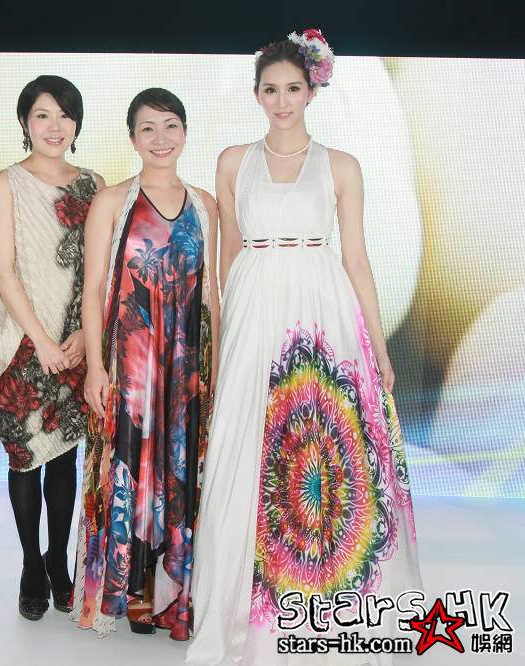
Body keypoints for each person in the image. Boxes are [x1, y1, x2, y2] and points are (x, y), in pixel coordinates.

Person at [186, 30, 421, 664]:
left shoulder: (341, 165)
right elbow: (226, 257)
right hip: (254, 304)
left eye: (293, 88)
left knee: (320, 446)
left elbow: (357, 260)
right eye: (271, 89)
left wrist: (378, 347)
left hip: (322, 307)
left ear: (311, 91)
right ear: (256, 94)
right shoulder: (233, 162)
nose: (282, 100)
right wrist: (225, 332)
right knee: (245, 446)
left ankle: (322, 606)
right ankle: (243, 612)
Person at [71, 88, 219, 640]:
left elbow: (213, 295)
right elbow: (92, 292)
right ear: (132, 138)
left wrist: (222, 366)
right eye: (148, 129)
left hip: (186, 369)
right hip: (130, 366)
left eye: (171, 125)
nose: (161, 138)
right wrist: (95, 367)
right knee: (129, 470)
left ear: (186, 132)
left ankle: (174, 596)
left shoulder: (206, 205)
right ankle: (128, 591)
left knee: (181, 472)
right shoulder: (112, 202)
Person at [0, 76, 103, 621]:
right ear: (25, 122)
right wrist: (42, 342)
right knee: (26, 458)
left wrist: (83, 337)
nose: (54, 126)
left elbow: (99, 272)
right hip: (22, 345)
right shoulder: (5, 184)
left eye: (65, 115)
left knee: (65, 458)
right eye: (43, 115)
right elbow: (1, 270)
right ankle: (31, 563)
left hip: (75, 344)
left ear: (76, 124)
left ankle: (58, 561)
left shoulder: (94, 185)